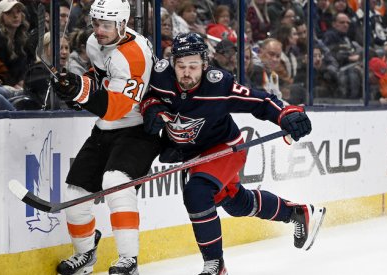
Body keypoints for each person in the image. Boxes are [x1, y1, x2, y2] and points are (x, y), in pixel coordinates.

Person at [141, 32, 326, 275]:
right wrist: (151, 108)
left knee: (196, 193)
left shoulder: (219, 85)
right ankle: (297, 212)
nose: (187, 73)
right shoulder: (159, 77)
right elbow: (148, 97)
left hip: (224, 149)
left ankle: (215, 265)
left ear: (205, 64)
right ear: (172, 63)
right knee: (236, 203)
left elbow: (260, 101)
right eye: (181, 66)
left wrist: (286, 114)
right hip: (192, 155)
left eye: (194, 66)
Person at [51, 0, 160, 274]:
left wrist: (79, 94)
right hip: (106, 129)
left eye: (106, 25)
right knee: (75, 196)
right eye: (96, 23)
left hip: (139, 130)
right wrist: (75, 83)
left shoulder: (133, 55)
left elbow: (115, 108)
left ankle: (128, 259)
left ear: (123, 24)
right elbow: (101, 79)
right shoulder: (94, 42)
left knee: (116, 183)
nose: (99, 30)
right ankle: (85, 254)